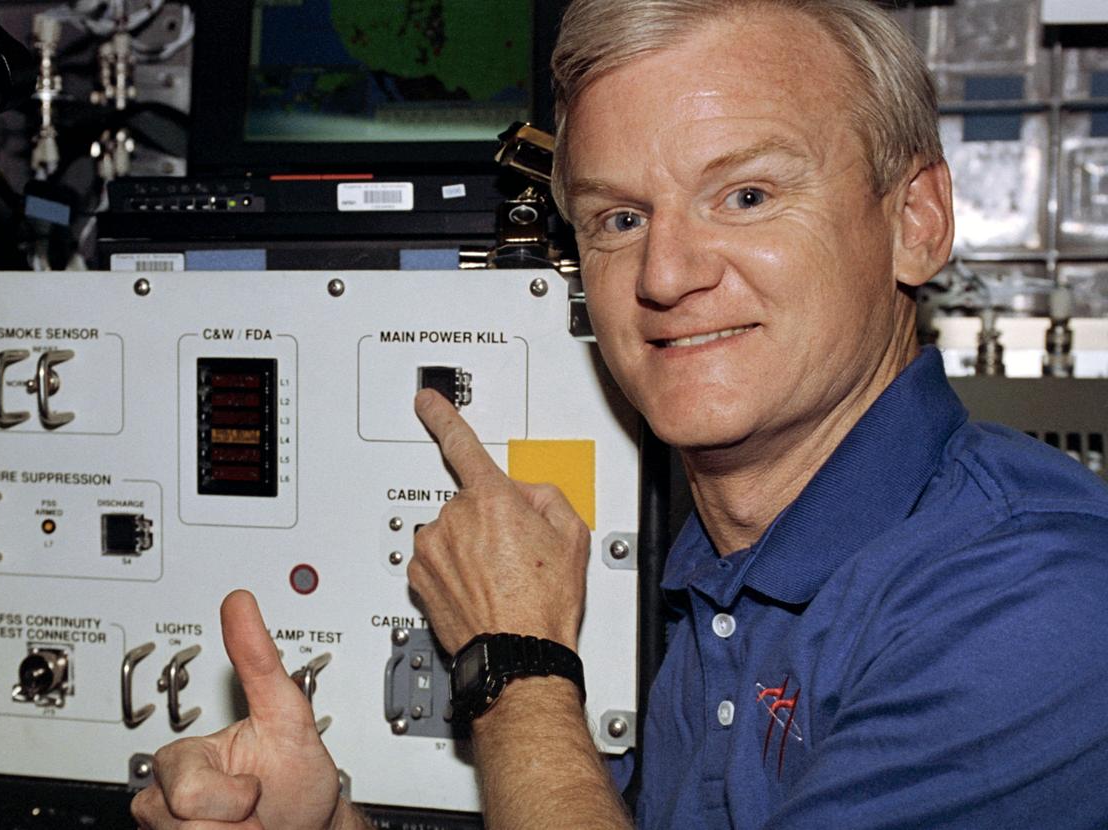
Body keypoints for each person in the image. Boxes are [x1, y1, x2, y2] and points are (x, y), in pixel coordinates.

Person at [131, 1, 1108, 827]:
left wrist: (517, 662)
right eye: (620, 218)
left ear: (915, 222)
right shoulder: (709, 576)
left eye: (746, 194)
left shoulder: (1040, 600)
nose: (666, 275)